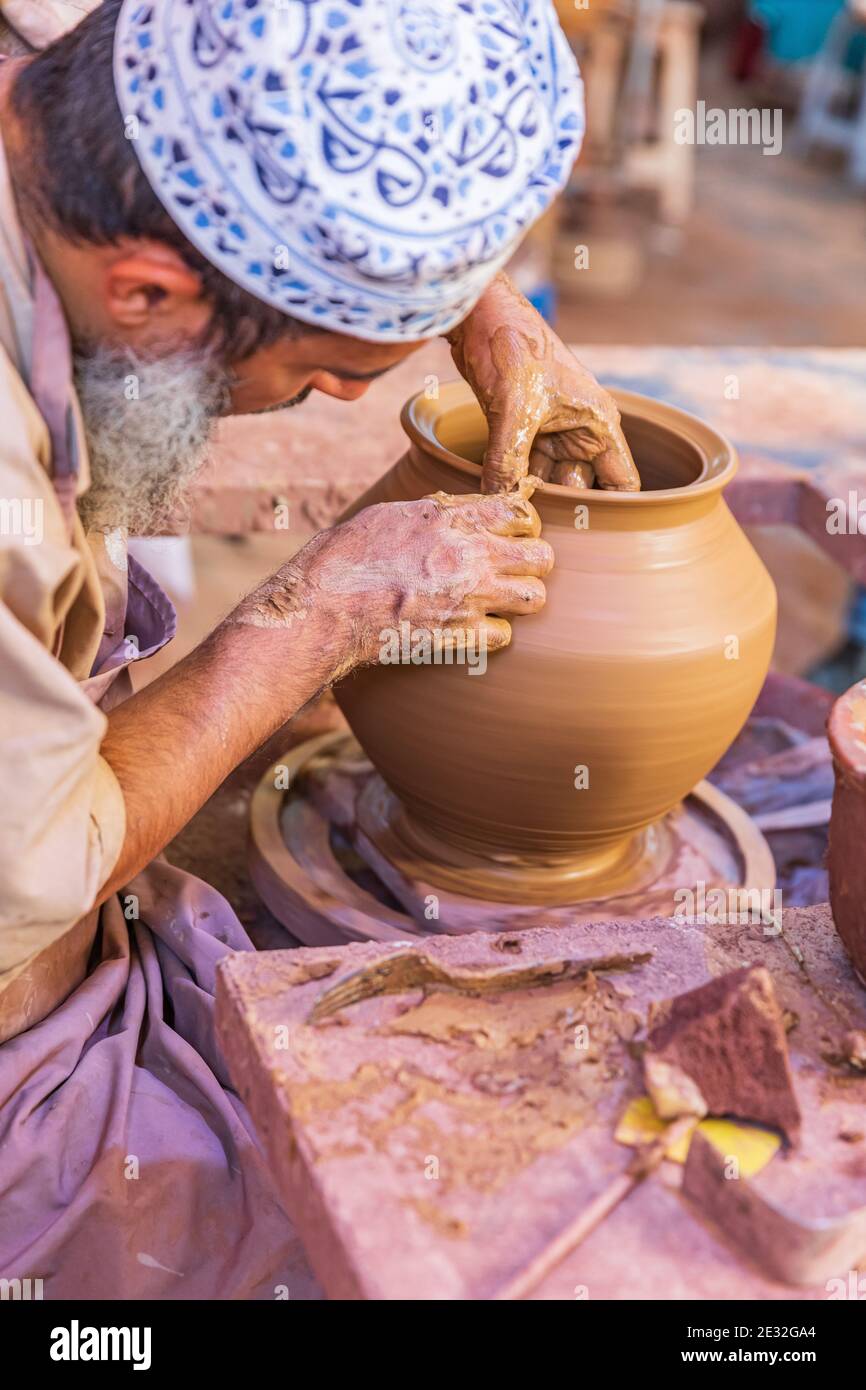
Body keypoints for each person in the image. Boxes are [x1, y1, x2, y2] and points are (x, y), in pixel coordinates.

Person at [0, 0, 637, 1298]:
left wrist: (470, 295)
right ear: (146, 287)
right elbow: (36, 859)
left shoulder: (71, 73)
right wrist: (327, 608)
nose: (338, 399)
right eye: (318, 377)